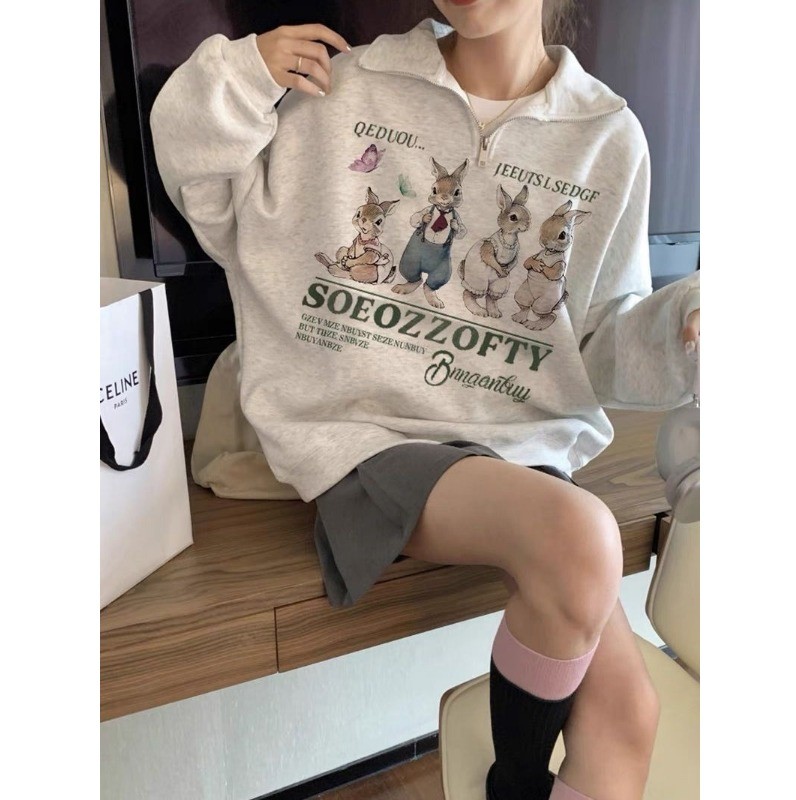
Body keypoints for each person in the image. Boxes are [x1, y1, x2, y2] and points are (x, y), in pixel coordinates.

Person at [150, 1, 700, 798]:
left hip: (518, 458)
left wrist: (684, 325)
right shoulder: (342, 88)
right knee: (581, 538)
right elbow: (206, 193)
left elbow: (598, 341)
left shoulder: (606, 135)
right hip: (371, 441)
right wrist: (237, 79)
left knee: (629, 715)